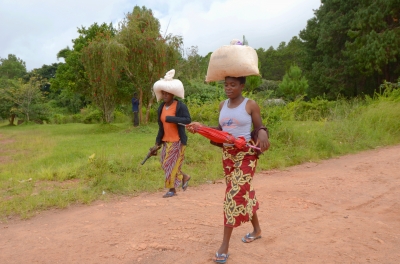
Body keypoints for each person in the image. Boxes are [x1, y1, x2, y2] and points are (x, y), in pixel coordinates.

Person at [186, 76, 270, 263]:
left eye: (233, 84)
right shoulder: (222, 105)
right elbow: (220, 131)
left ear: (242, 85)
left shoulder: (250, 105)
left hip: (246, 154)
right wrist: (200, 129)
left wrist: (263, 132)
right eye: (226, 85)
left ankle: (224, 245)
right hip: (228, 156)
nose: (228, 88)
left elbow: (259, 127)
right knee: (243, 193)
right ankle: (257, 230)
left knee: (233, 195)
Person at [150, 69, 192, 198]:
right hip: (166, 141)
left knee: (170, 164)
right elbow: (161, 127)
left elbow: (187, 120)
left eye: (168, 93)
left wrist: (172, 119)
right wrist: (157, 143)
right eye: (163, 93)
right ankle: (184, 176)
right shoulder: (161, 108)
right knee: (164, 163)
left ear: (173, 94)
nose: (165, 95)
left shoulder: (180, 106)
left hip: (177, 141)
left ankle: (171, 189)